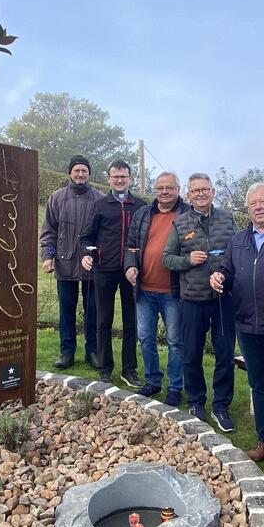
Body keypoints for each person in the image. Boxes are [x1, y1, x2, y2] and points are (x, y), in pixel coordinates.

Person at [210, 182, 264, 484]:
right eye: (252, 203)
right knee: (259, 386)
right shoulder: (238, 240)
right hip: (246, 324)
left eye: (263, 202)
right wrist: (220, 276)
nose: (258, 207)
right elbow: (227, 271)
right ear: (247, 209)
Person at [162, 172, 238, 432]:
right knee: (192, 354)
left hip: (223, 299)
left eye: (205, 189)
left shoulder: (228, 219)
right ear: (188, 195)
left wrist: (226, 274)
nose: (201, 194)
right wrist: (187, 261)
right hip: (192, 300)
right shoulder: (180, 223)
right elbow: (167, 258)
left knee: (225, 354)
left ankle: (221, 406)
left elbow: (238, 255)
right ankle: (196, 402)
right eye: (196, 190)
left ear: (213, 192)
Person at [79, 160, 147, 385]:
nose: (119, 180)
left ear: (130, 178)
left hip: (132, 271)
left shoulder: (140, 206)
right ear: (108, 178)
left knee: (131, 322)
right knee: (103, 320)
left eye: (124, 176)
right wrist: (87, 254)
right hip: (104, 269)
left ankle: (129, 370)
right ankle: (104, 368)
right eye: (115, 176)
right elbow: (87, 237)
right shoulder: (100, 205)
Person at [125, 171, 190, 403]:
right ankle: (152, 381)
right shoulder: (143, 213)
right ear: (156, 189)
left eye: (169, 187)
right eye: (160, 187)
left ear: (178, 189)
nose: (164, 191)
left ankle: (174, 386)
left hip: (173, 290)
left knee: (175, 341)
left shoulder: (187, 214)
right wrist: (130, 266)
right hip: (144, 289)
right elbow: (130, 246)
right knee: (146, 337)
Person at [39, 155, 103, 370]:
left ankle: (92, 351)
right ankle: (67, 352)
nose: (80, 174)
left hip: (91, 265)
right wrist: (48, 256)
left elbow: (104, 235)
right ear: (70, 173)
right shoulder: (56, 198)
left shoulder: (99, 200)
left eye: (84, 170)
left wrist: (98, 258)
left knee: (92, 310)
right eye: (76, 170)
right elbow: (49, 232)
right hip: (64, 263)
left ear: (89, 174)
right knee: (66, 311)